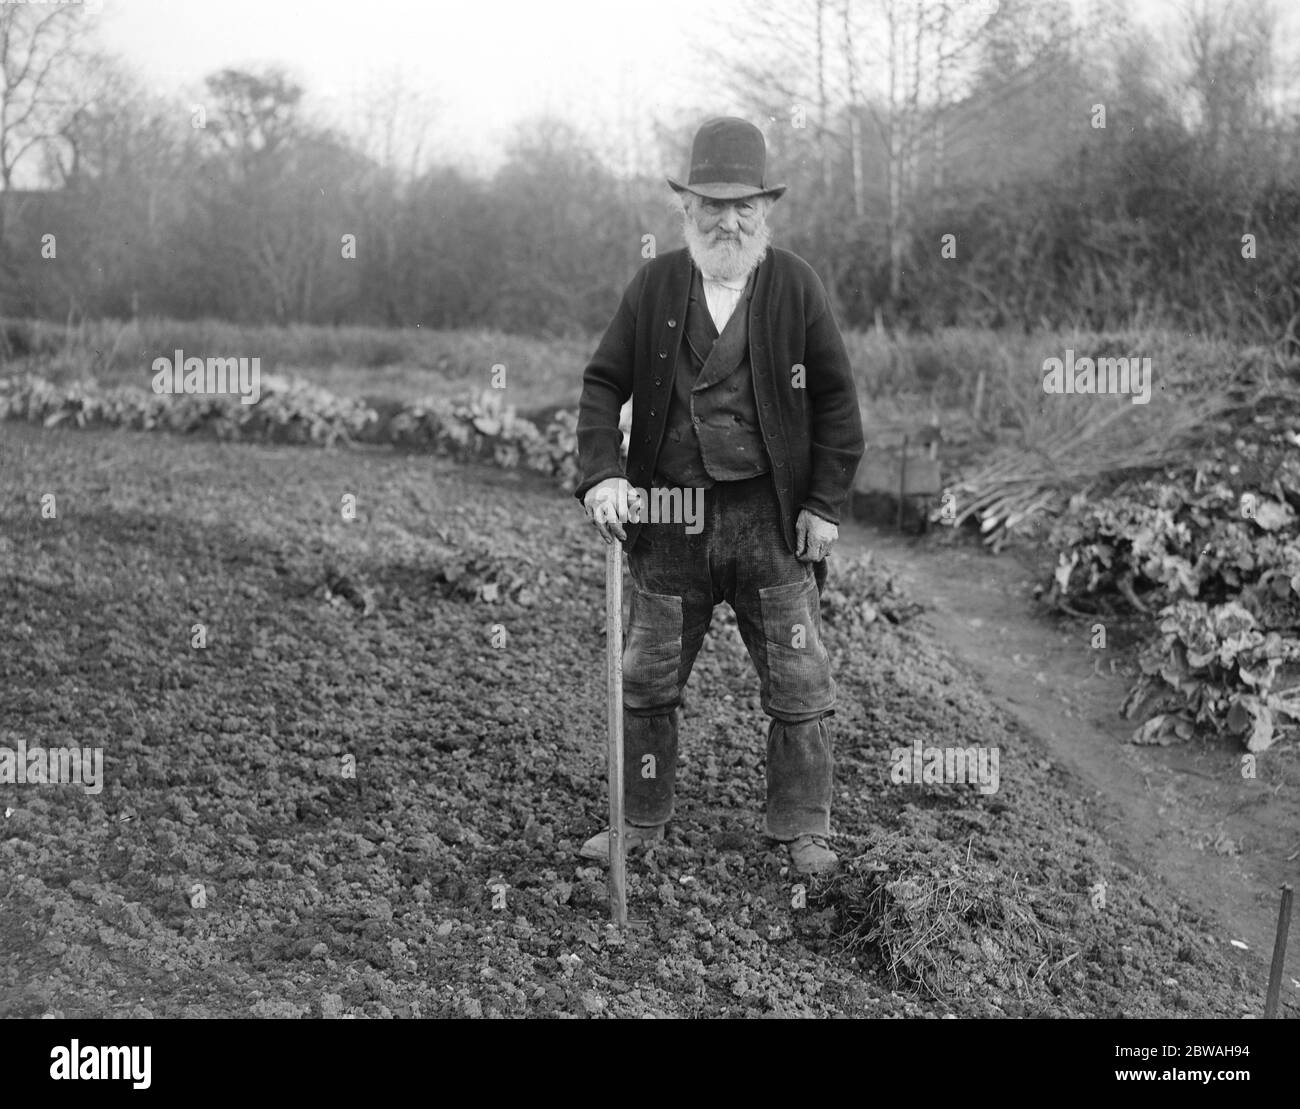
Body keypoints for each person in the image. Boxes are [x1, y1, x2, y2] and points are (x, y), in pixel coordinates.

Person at [574, 117, 864, 875]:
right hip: (669, 519)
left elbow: (836, 401)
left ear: (765, 211)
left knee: (800, 680)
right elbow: (604, 381)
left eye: (744, 206)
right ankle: (638, 820)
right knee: (646, 677)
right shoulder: (658, 284)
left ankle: (803, 827)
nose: (728, 220)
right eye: (713, 205)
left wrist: (823, 504)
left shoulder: (794, 285)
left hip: (769, 521)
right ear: (686, 208)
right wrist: (605, 473)